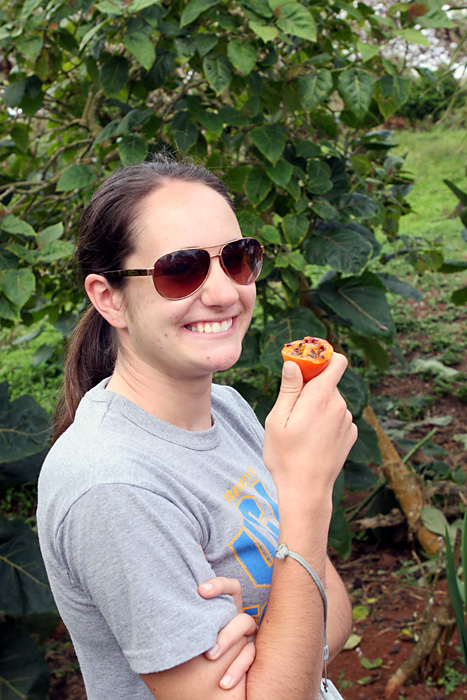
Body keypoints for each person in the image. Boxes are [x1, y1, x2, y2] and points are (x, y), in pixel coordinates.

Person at [37, 153, 357, 700]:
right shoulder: (112, 485)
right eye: (179, 270)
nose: (224, 293)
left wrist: (266, 642)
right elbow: (307, 621)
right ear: (108, 297)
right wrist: (306, 494)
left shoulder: (228, 408)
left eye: (237, 259)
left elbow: (336, 621)